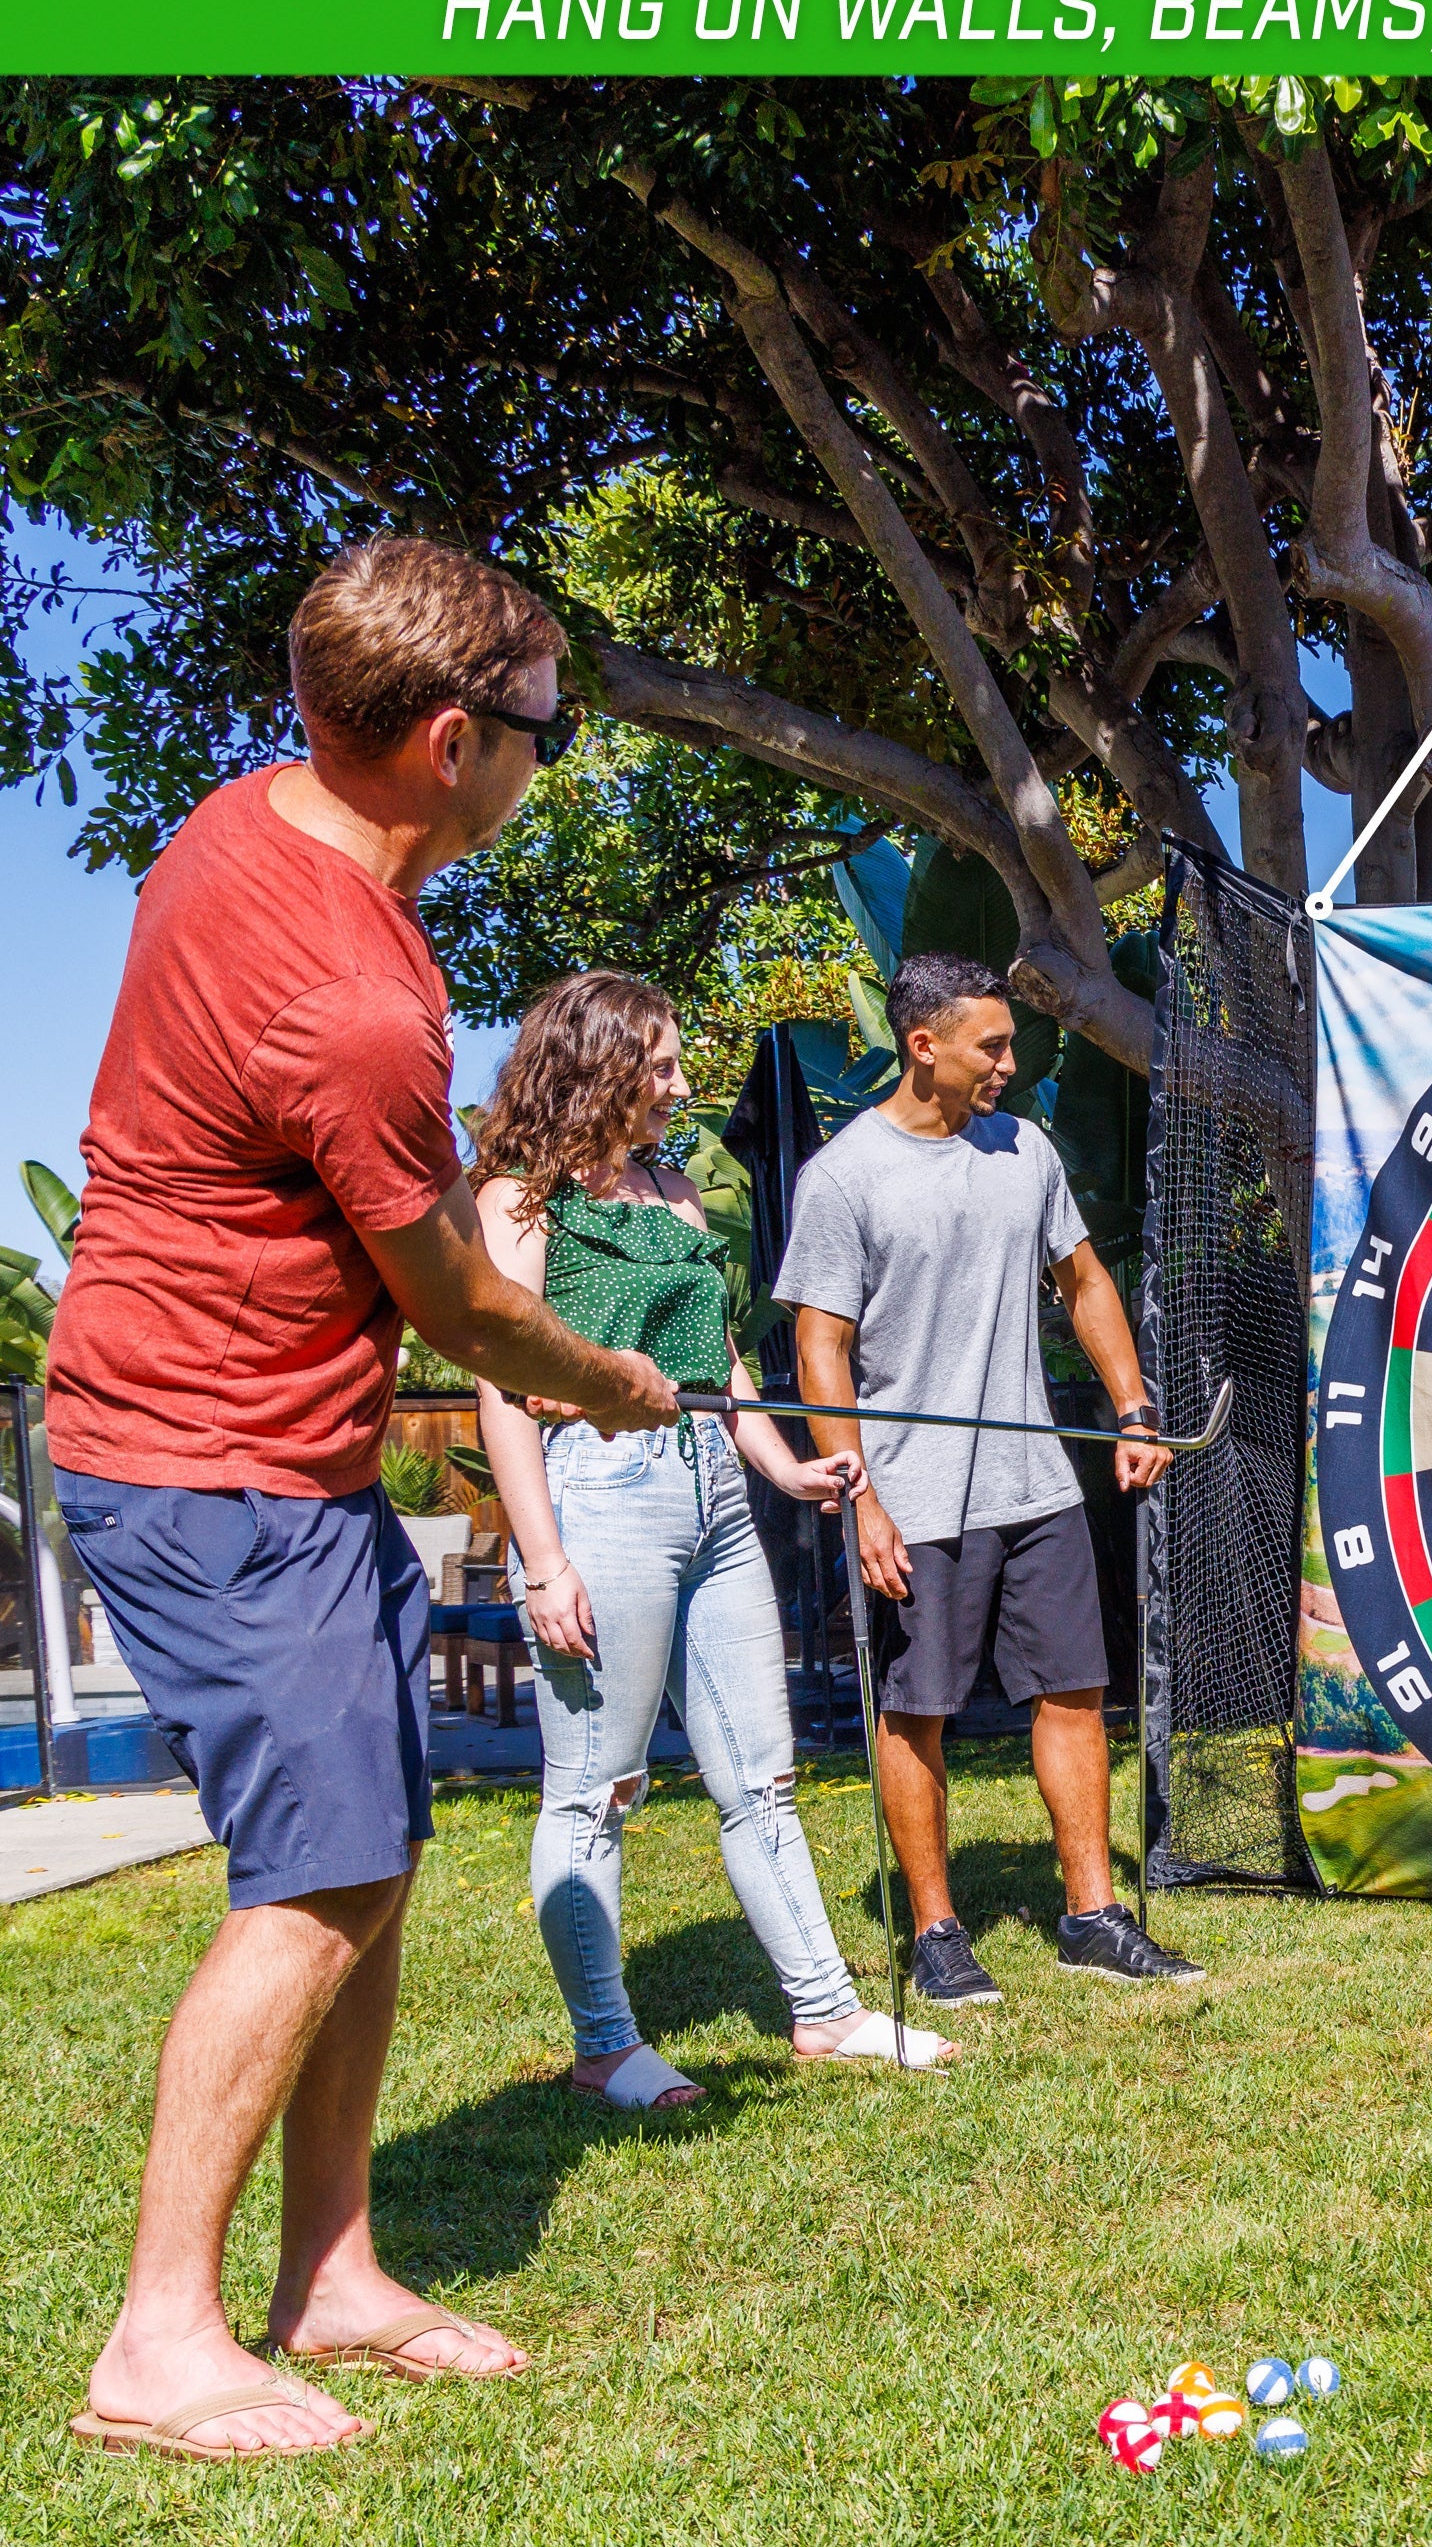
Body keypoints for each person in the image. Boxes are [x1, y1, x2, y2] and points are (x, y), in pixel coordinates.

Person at [46, 538, 683, 2461]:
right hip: (206, 1458)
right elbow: (460, 1301)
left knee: (373, 1852)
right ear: (443, 738)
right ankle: (160, 2339)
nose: (548, 762)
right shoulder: (348, 993)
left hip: (281, 1454)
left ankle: (330, 2270)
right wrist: (610, 1382)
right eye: (542, 734)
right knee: (316, 1876)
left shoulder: (259, 823)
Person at [470, 972, 956, 2104]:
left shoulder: (675, 1190)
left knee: (763, 1778)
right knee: (598, 1790)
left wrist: (785, 1465)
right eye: (663, 1063)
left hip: (714, 1504)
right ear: (598, 1065)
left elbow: (718, 1361)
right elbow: (499, 1389)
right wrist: (545, 1563)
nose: (681, 1084)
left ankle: (829, 2013)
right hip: (597, 1494)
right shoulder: (518, 1201)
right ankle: (606, 2049)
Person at [775, 949, 1198, 2003]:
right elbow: (818, 1347)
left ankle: (1093, 1916)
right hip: (912, 1495)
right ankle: (935, 1932)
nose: (1010, 1063)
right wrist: (857, 1492)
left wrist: (1133, 1407)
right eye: (992, 1045)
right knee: (919, 1709)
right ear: (924, 1047)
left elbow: (1085, 1282)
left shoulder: (1026, 1152)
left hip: (1038, 1482)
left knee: (1075, 1693)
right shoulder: (843, 1177)